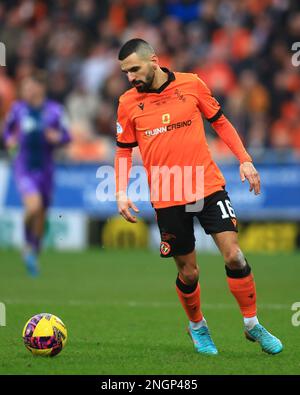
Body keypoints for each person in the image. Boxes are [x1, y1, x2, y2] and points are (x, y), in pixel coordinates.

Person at [114, 38, 283, 356]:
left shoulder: (192, 84)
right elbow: (123, 152)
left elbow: (220, 121)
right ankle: (198, 327)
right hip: (167, 196)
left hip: (207, 185)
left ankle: (252, 324)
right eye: (125, 72)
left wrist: (245, 159)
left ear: (154, 60)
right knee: (188, 272)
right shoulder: (126, 103)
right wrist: (121, 191)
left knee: (234, 255)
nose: (130, 77)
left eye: (134, 69)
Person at [3, 72, 71, 276]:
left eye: (31, 87)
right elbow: (6, 131)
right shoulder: (17, 109)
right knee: (33, 206)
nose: (28, 91)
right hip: (24, 166)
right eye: (26, 87)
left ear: (41, 88)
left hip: (46, 169)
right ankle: (26, 244)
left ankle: (34, 250)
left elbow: (67, 137)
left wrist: (56, 137)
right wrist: (9, 140)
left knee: (42, 213)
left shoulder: (55, 111)